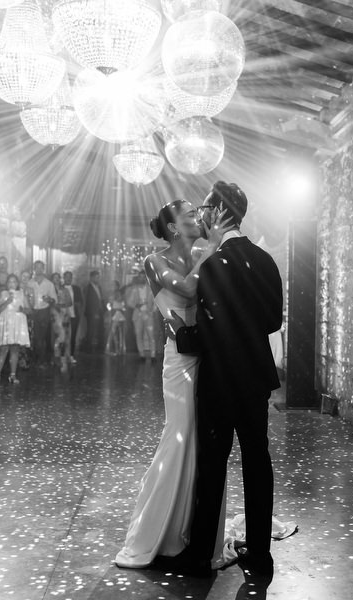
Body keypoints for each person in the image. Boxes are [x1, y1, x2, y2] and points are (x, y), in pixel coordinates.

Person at [169, 181, 283, 578]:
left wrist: (180, 336)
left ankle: (201, 554)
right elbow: (273, 321)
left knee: (213, 464)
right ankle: (261, 555)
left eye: (205, 209)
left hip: (220, 378)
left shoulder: (215, 264)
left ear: (218, 213)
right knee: (257, 461)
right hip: (254, 377)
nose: (200, 215)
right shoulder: (266, 261)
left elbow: (210, 330)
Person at [115, 199, 231, 569]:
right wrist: (212, 249)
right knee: (179, 432)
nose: (199, 218)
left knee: (205, 440)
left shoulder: (202, 253)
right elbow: (186, 290)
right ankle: (159, 531)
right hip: (180, 360)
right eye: (190, 216)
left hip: (209, 355)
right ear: (172, 229)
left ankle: (198, 530)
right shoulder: (155, 261)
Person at [0, 274, 31, 383]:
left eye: (14, 282)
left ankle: (12, 375)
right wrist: (7, 301)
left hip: (17, 324)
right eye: (10, 282)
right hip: (7, 323)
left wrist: (23, 310)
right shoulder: (3, 294)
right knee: (3, 349)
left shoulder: (22, 294)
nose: (12, 284)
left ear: (17, 283)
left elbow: (29, 310)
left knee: (15, 349)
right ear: (7, 284)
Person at [28, 261, 57, 367]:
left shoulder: (49, 284)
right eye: (37, 267)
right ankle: (36, 358)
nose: (39, 270)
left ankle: (41, 360)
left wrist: (49, 299)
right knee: (34, 337)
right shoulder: (30, 283)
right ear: (34, 269)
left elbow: (55, 300)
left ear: (43, 269)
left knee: (42, 337)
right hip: (33, 312)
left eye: (41, 268)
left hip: (44, 312)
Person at [126, 270, 156, 361]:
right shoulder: (134, 289)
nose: (142, 279)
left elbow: (156, 302)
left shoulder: (151, 289)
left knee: (151, 335)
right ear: (138, 278)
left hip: (148, 314)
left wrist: (152, 311)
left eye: (144, 277)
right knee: (138, 334)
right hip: (137, 315)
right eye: (140, 277)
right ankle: (141, 354)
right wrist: (135, 305)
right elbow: (128, 302)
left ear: (146, 278)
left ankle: (153, 355)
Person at [50, 273, 73, 372]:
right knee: (58, 337)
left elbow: (70, 302)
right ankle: (57, 357)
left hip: (64, 314)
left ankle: (64, 357)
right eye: (54, 278)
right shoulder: (50, 290)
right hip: (55, 315)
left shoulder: (65, 290)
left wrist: (63, 304)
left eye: (58, 278)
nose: (56, 280)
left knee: (66, 337)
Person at [63, 271, 83, 363]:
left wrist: (80, 314)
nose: (68, 279)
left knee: (73, 335)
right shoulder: (60, 288)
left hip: (74, 315)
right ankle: (63, 355)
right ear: (63, 278)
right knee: (63, 336)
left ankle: (71, 355)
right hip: (63, 316)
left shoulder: (76, 288)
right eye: (66, 277)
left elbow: (79, 302)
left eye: (70, 277)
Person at [84, 270, 105, 353]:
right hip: (92, 312)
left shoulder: (98, 287)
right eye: (96, 277)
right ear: (91, 278)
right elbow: (89, 302)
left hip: (100, 311)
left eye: (98, 277)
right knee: (91, 330)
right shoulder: (88, 288)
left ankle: (100, 347)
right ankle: (88, 347)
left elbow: (100, 299)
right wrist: (94, 313)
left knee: (100, 329)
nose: (98, 279)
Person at [105, 280, 126, 355]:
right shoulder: (112, 294)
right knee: (113, 332)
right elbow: (109, 305)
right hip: (114, 314)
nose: (113, 287)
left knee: (118, 332)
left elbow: (122, 303)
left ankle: (119, 349)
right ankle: (111, 349)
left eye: (114, 285)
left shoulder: (119, 293)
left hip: (118, 313)